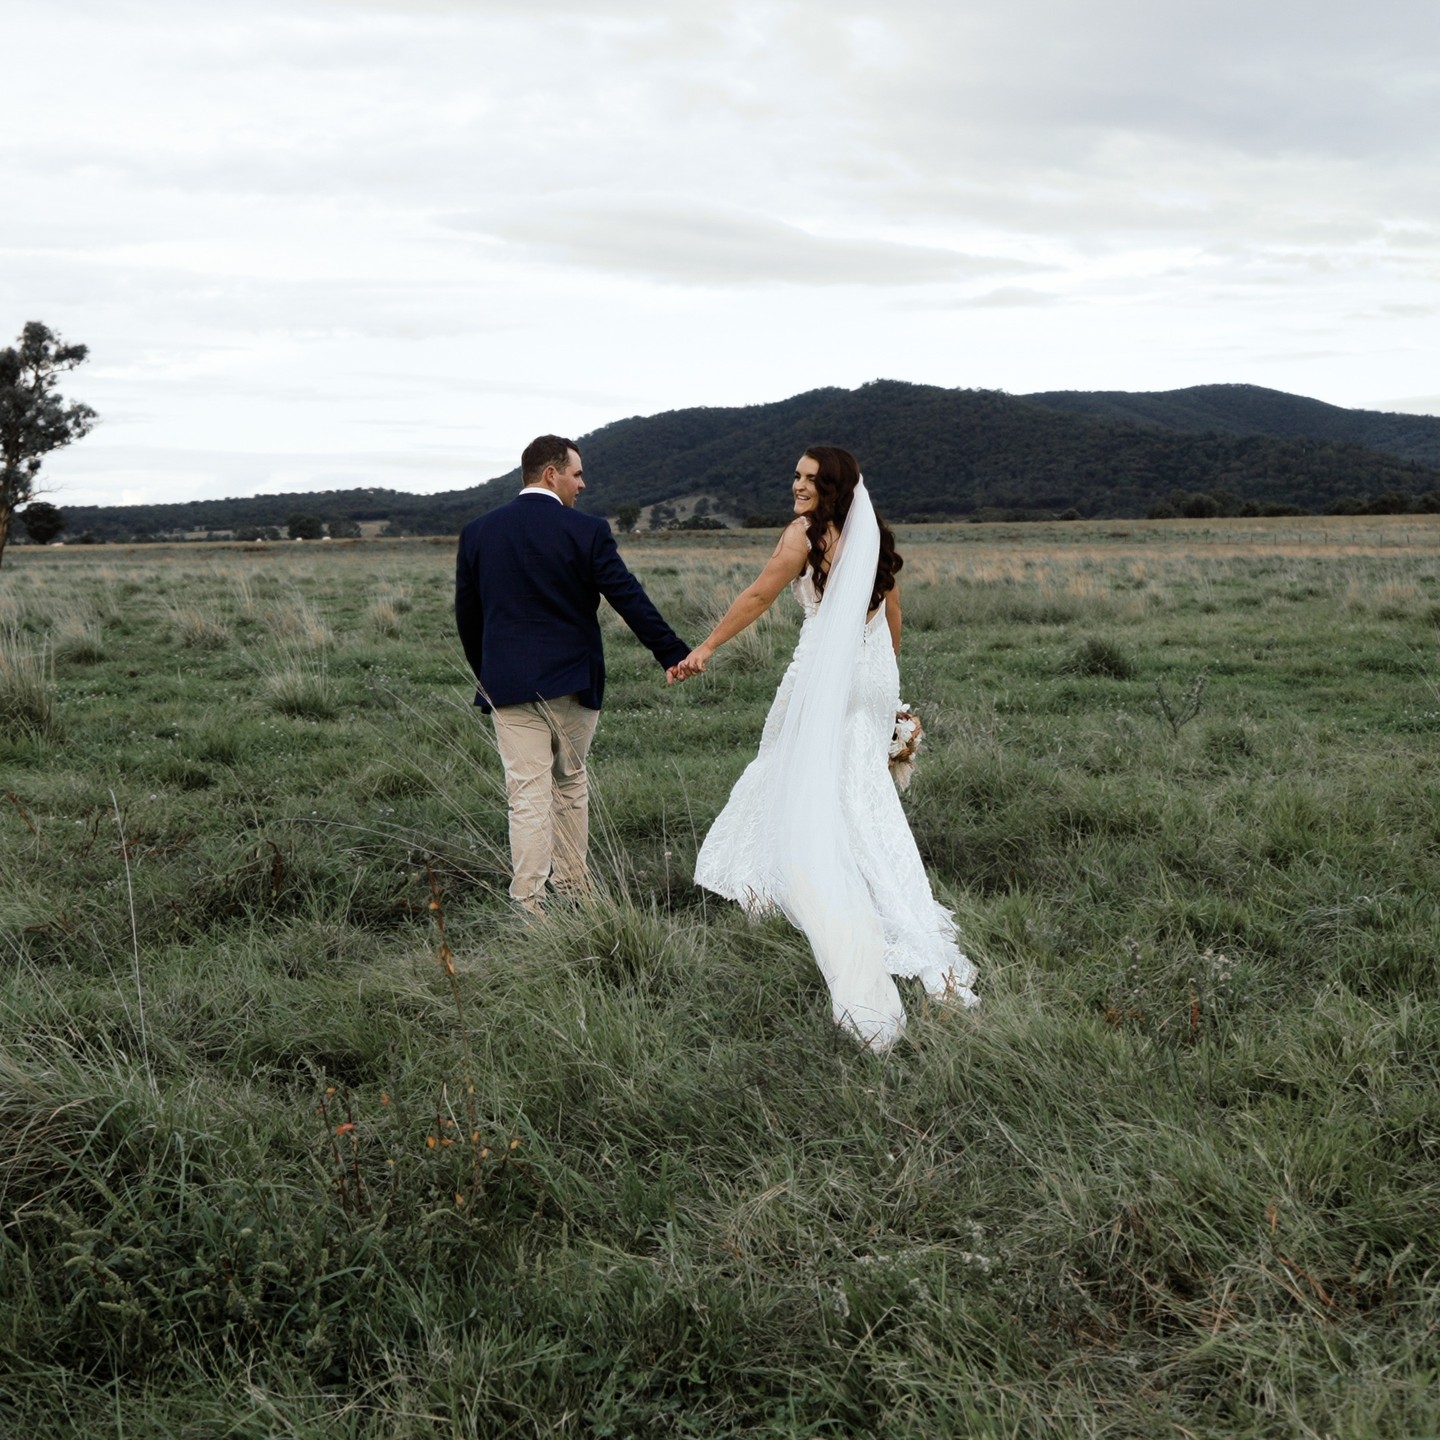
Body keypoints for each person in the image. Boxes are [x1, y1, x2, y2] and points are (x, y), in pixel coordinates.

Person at [674, 445, 978, 1047]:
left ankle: (799, 877)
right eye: (795, 476)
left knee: (789, 767)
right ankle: (877, 883)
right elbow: (892, 614)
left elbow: (760, 596)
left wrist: (707, 647)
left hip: (825, 673)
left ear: (833, 485)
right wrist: (887, 691)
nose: (797, 486)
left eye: (809, 479)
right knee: (857, 784)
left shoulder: (806, 537)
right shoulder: (873, 535)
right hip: (872, 673)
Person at [456, 435, 691, 913]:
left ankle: (530, 904)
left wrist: (490, 673)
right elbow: (628, 597)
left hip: (508, 686)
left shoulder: (478, 532)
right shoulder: (586, 532)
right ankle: (576, 889)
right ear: (551, 474)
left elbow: (468, 615)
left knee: (526, 795)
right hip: (573, 683)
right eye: (577, 474)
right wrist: (671, 653)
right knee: (569, 784)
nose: (582, 484)